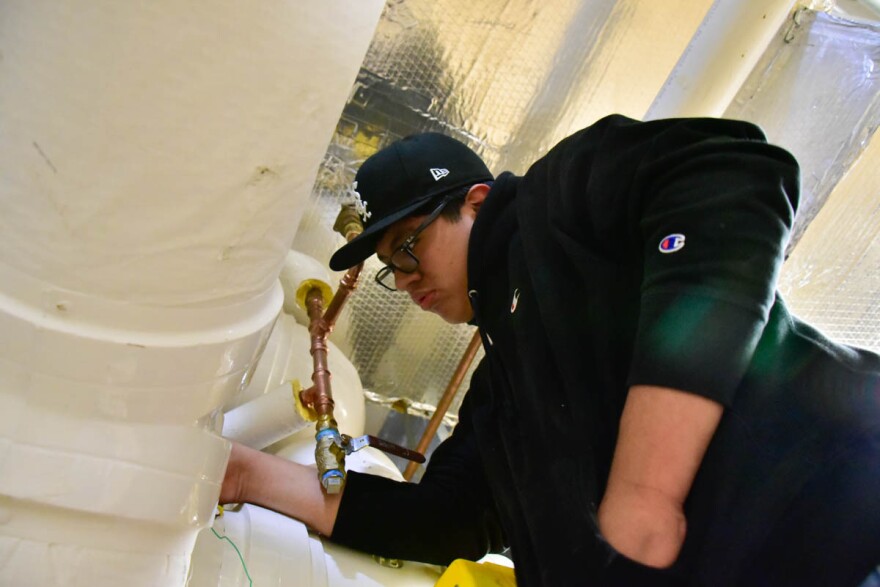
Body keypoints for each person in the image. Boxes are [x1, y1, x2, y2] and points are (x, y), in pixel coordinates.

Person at [220, 115, 880, 586]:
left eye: (410, 246)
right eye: (394, 267)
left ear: (475, 203)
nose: (409, 279)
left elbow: (733, 178)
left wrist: (647, 488)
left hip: (847, 521)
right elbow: (442, 521)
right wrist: (243, 473)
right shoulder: (504, 391)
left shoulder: (558, 206)